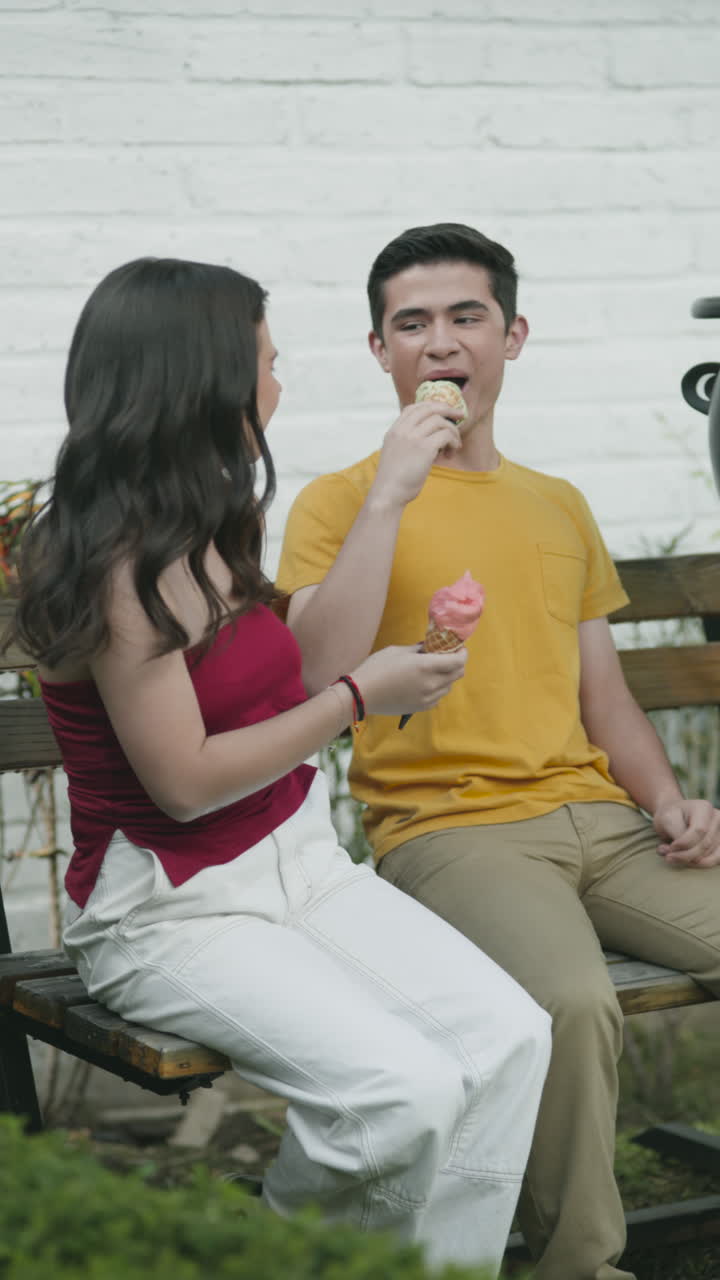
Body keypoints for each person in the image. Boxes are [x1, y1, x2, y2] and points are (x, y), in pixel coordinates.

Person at [8, 256, 550, 1277]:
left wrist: (387, 497)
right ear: (204, 379)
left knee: (512, 1037)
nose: (279, 379)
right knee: (401, 1092)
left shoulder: (206, 516)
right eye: (266, 358)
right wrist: (357, 704)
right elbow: (187, 778)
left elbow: (305, 661)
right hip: (174, 910)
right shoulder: (115, 561)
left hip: (300, 864)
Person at [276, 223, 720, 1280]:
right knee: (570, 1003)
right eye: (411, 323)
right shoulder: (338, 499)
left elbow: (602, 695)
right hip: (454, 829)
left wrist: (670, 798)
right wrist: (394, 486)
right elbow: (316, 679)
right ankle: (580, 1263)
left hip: (606, 824)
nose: (439, 342)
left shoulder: (557, 501)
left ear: (511, 336)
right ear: (380, 350)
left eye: (465, 316)